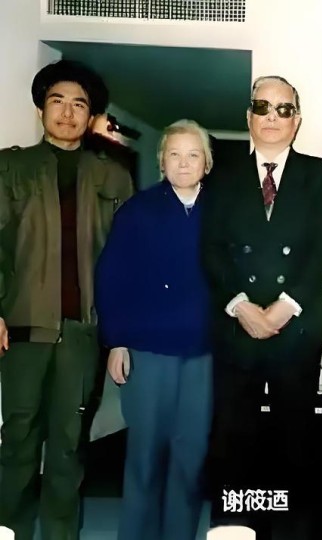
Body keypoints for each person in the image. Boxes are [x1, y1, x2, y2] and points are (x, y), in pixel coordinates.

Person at [202, 75, 322, 540]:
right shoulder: (221, 175)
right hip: (237, 326)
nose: (272, 117)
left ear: (296, 120)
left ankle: (292, 534)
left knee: (294, 440)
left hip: (295, 328)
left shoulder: (320, 174)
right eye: (262, 107)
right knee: (233, 439)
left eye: (284, 109)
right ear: (249, 117)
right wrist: (240, 305)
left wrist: (286, 306)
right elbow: (211, 248)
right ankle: (234, 531)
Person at [0, 59, 133, 540]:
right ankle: (9, 530)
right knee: (18, 440)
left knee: (68, 445)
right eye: (58, 101)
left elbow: (125, 259)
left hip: (83, 332)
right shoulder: (9, 168)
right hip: (23, 329)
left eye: (79, 104)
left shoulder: (113, 176)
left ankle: (60, 535)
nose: (68, 112)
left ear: (91, 116)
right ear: (41, 109)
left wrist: (118, 328)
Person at [95, 119, 214, 540]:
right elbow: (111, 277)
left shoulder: (222, 211)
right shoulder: (138, 210)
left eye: (193, 154)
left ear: (206, 163)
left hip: (203, 352)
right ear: (162, 161)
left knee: (190, 456)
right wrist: (117, 341)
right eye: (174, 154)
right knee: (144, 456)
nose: (183, 163)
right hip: (148, 351)